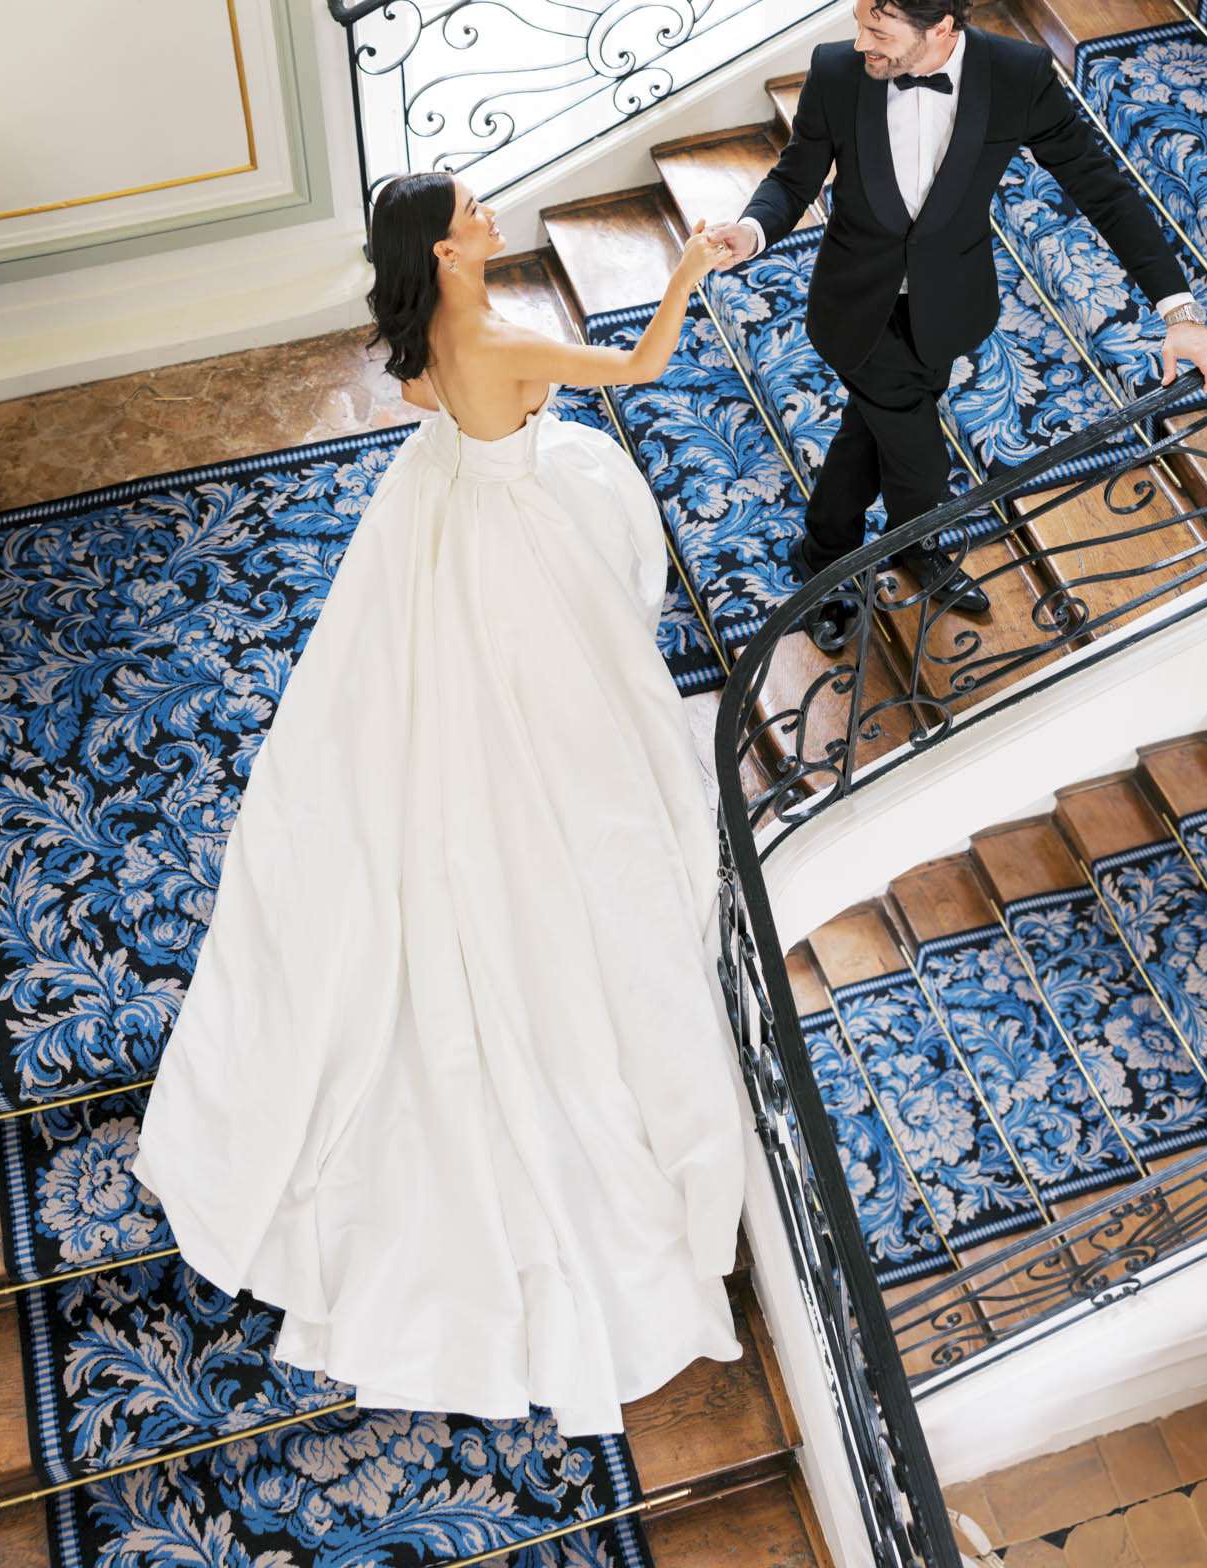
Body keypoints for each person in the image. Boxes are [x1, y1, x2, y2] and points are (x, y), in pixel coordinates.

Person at [130, 172, 747, 1438]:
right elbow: (637, 362)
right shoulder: (507, 337)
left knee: (421, 733)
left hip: (451, 522)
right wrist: (687, 271)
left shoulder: (428, 339)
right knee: (566, 740)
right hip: (514, 545)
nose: (490, 215)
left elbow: (433, 403)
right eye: (474, 210)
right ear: (449, 244)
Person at [705, 0, 1207, 648]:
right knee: (916, 454)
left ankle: (826, 553)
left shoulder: (1015, 76)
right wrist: (754, 228)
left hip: (948, 304)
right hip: (852, 300)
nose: (859, 39)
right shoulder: (837, 73)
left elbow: (1103, 191)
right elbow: (794, 174)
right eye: (859, 20)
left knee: (865, 433)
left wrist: (1177, 312)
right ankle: (907, 543)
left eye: (877, 29)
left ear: (941, 30)